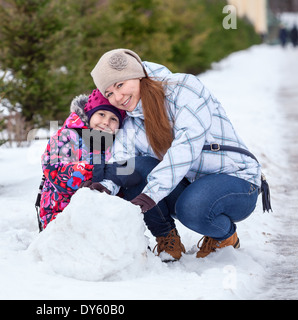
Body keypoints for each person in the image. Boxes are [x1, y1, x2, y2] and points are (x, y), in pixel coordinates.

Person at [87, 48, 262, 260]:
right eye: (109, 94)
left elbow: (186, 146)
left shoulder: (185, 88)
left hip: (237, 180)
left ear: (137, 74)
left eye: (120, 85)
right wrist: (104, 187)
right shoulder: (132, 120)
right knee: (134, 169)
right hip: (188, 185)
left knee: (193, 207)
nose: (118, 97)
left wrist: (151, 193)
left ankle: (225, 235)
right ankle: (167, 239)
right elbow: (122, 162)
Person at [39, 89, 140, 230]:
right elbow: (54, 169)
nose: (106, 122)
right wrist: (97, 170)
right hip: (61, 213)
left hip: (100, 215)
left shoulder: (117, 145)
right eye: (102, 114)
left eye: (113, 119)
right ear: (89, 114)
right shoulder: (66, 135)